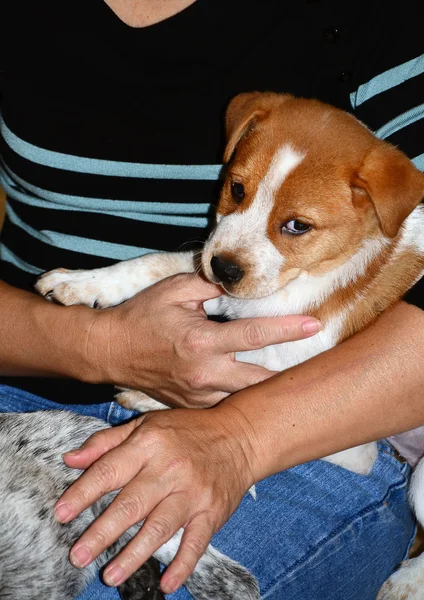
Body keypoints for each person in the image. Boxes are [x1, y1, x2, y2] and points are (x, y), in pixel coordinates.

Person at [0, 1, 423, 598]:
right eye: (237, 189)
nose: (230, 242)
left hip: (318, 426)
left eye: (295, 225)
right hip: (25, 365)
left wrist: (238, 439)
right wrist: (101, 344)